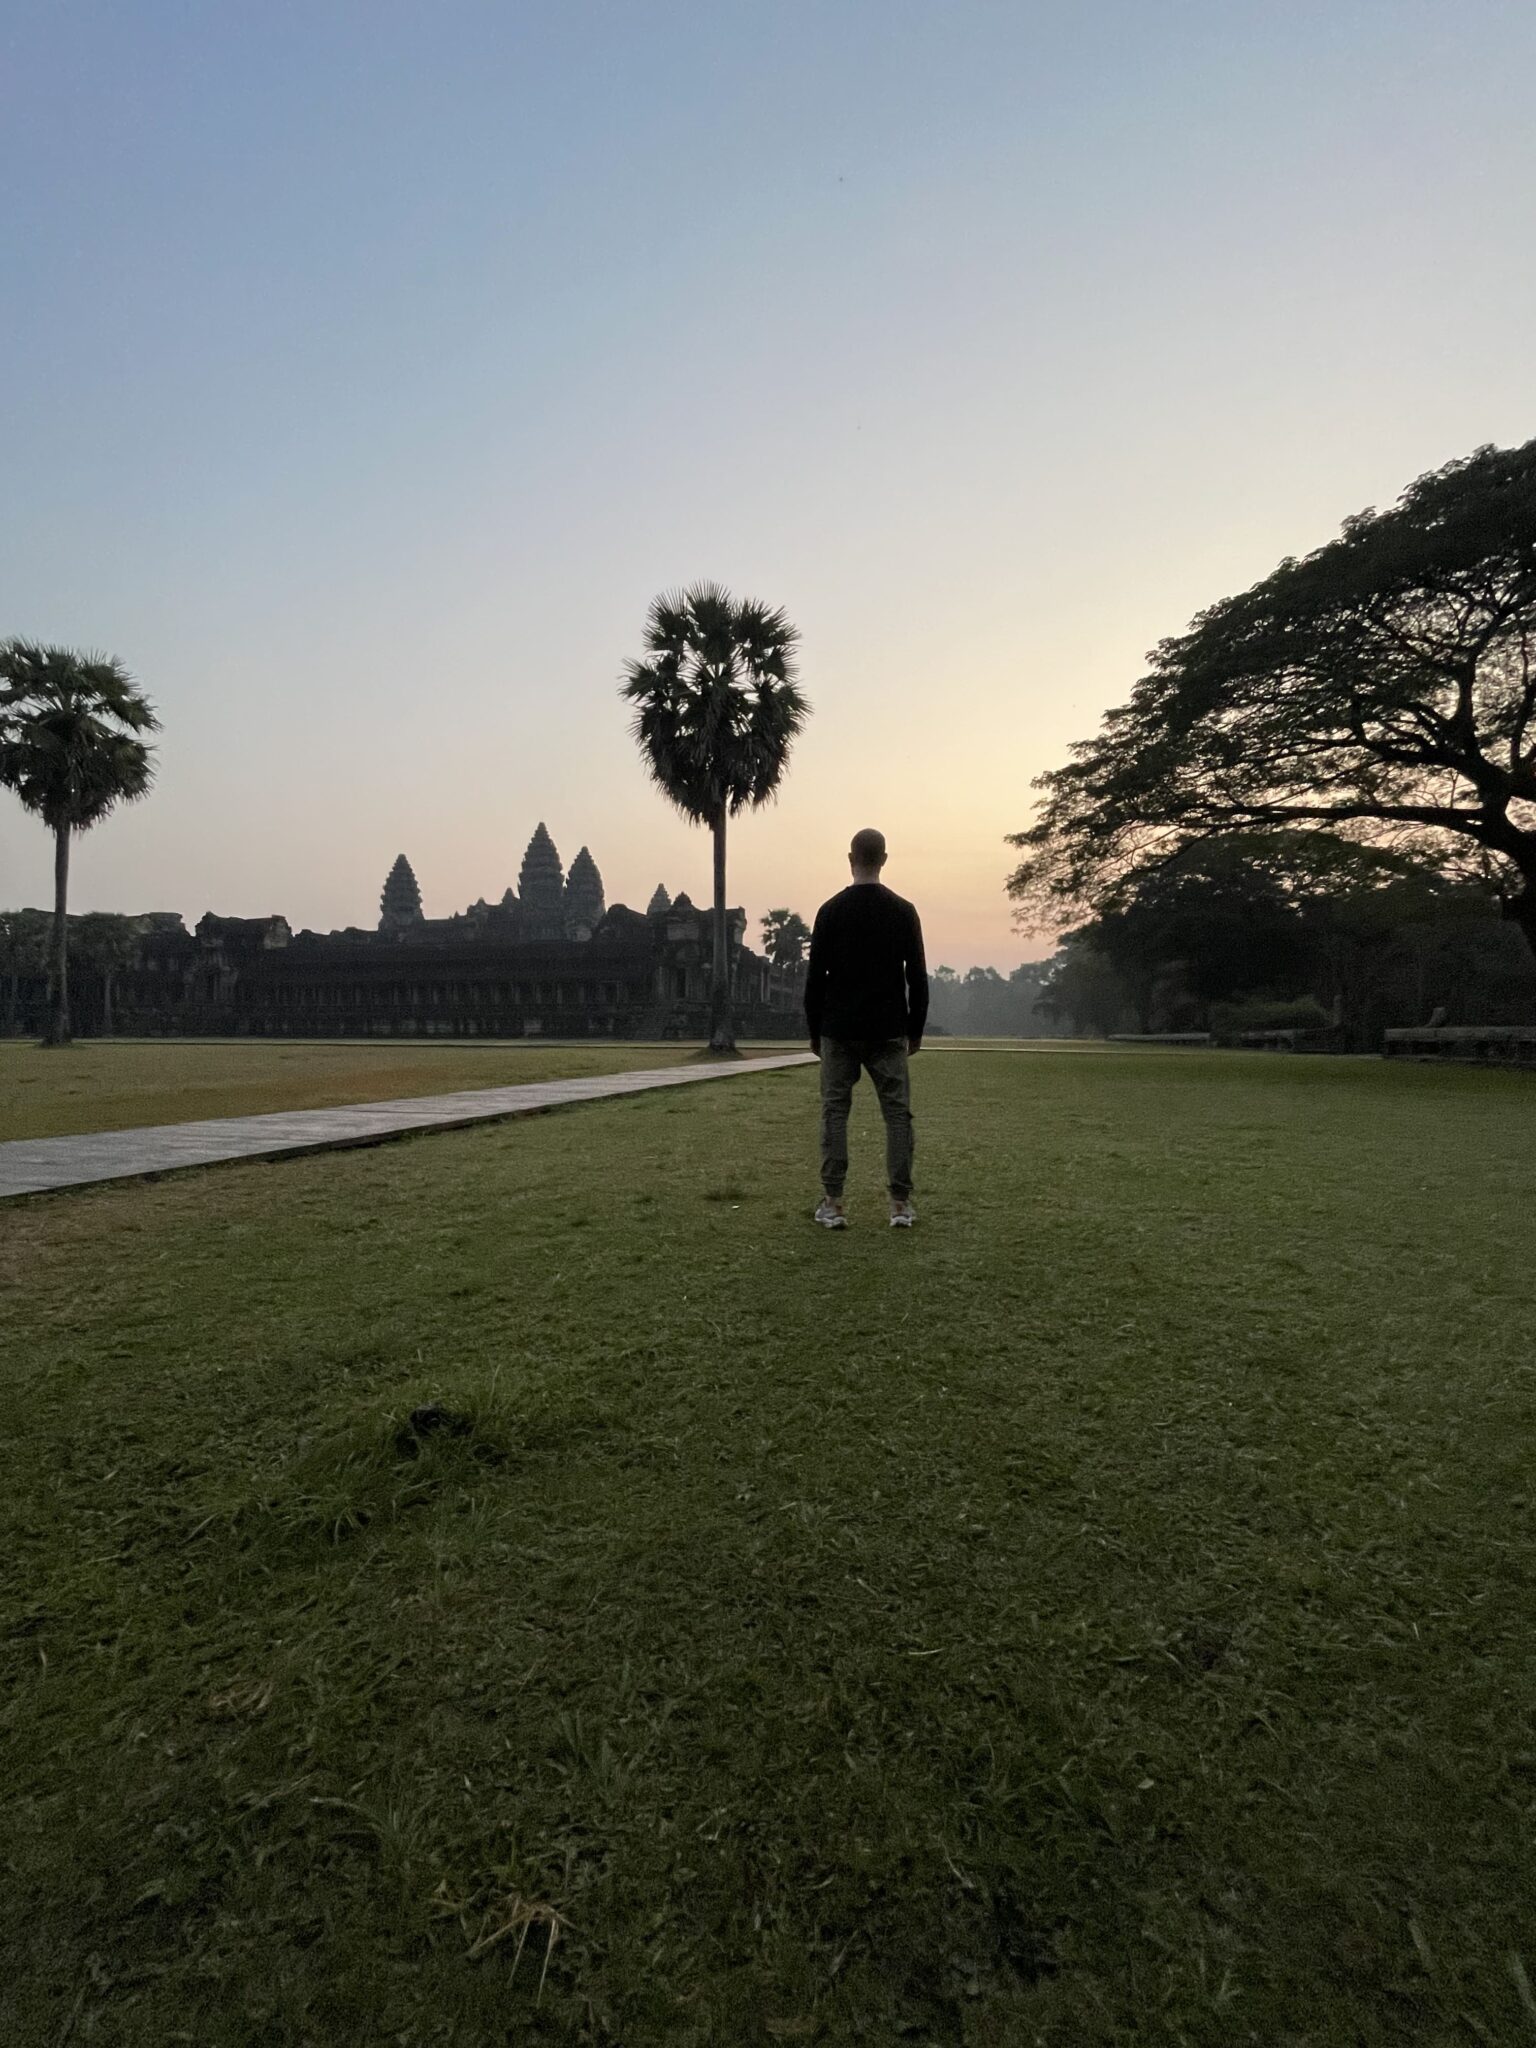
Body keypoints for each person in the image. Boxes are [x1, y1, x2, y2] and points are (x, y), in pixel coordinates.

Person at [804, 827, 928, 1229]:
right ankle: (899, 1205)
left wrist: (813, 1030)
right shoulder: (903, 910)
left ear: (850, 858)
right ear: (884, 859)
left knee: (835, 1113)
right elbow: (917, 978)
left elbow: (815, 980)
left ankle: (833, 1202)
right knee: (896, 1115)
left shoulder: (830, 910)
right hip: (889, 1026)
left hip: (838, 1027)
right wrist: (916, 1029)